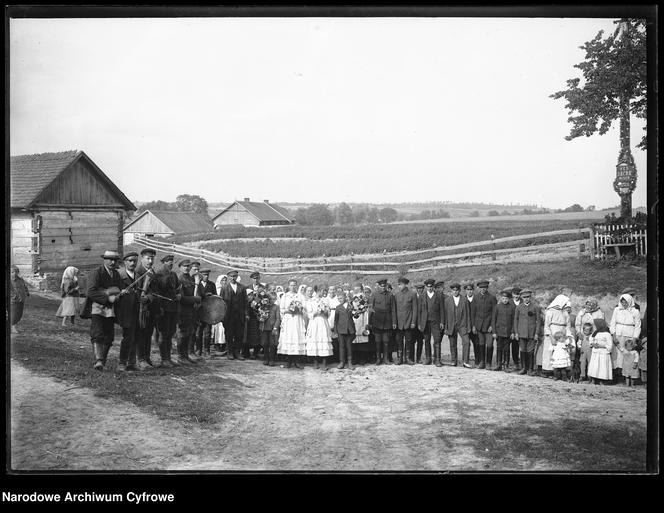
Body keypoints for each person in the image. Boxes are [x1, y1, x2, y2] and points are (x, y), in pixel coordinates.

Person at [86, 250, 123, 371]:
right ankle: (98, 361)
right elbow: (91, 292)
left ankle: (103, 362)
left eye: (115, 260)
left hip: (110, 311)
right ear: (104, 260)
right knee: (97, 334)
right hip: (97, 308)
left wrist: (120, 294)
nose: (112, 262)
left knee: (109, 336)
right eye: (109, 259)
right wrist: (107, 298)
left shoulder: (116, 274)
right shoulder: (97, 272)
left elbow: (119, 289)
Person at [134, 248, 160, 370]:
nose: (150, 261)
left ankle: (147, 357)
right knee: (141, 333)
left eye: (152, 258)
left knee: (148, 333)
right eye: (148, 258)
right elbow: (139, 292)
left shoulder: (152, 271)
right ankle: (141, 359)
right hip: (141, 309)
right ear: (142, 258)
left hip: (151, 308)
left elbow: (155, 291)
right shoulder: (138, 271)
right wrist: (148, 297)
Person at [115, 252, 141, 372]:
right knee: (128, 337)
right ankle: (122, 362)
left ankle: (132, 362)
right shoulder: (119, 274)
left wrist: (147, 297)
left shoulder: (139, 275)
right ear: (125, 262)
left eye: (135, 261)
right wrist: (120, 292)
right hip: (125, 310)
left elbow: (146, 291)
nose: (132, 263)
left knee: (136, 337)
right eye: (130, 261)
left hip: (138, 310)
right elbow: (113, 291)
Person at [155, 254, 181, 367]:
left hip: (173, 307)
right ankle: (164, 359)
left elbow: (178, 288)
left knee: (170, 332)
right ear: (163, 262)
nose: (170, 263)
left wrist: (179, 294)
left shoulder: (173, 274)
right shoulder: (159, 273)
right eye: (168, 261)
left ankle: (168, 358)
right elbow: (160, 288)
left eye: (172, 261)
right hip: (163, 308)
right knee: (163, 333)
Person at [609, 294, 641, 382]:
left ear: (630, 302)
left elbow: (638, 326)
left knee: (628, 355)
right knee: (617, 354)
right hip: (618, 333)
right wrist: (613, 335)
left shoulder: (635, 311)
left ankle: (628, 376)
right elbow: (612, 323)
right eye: (622, 302)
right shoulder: (617, 309)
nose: (624, 304)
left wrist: (635, 338)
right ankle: (617, 375)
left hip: (629, 334)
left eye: (626, 303)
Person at [175, 259, 201, 365]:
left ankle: (185, 355)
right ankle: (181, 356)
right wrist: (195, 299)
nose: (186, 268)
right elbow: (182, 298)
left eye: (188, 266)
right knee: (183, 334)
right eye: (184, 266)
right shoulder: (180, 279)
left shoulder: (190, 278)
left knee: (189, 333)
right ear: (180, 267)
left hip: (190, 311)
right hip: (182, 311)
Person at [540, 294, 572, 378]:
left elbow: (568, 326)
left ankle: (560, 372)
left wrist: (568, 336)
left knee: (561, 353)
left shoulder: (565, 313)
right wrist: (551, 337)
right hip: (552, 334)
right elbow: (546, 326)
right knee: (550, 352)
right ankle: (548, 371)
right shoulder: (550, 311)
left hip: (562, 335)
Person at [277, 279, 307, 368]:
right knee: (289, 337)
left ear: (296, 286)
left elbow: (304, 308)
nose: (293, 287)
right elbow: (281, 309)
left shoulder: (300, 296)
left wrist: (299, 309)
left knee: (297, 337)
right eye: (291, 285)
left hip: (297, 319)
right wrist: (289, 311)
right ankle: (289, 360)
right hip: (289, 319)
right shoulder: (285, 296)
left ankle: (297, 360)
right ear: (288, 286)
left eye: (294, 285)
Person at [220, 270, 248, 360]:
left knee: (239, 334)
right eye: (231, 276)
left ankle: (237, 353)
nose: (233, 278)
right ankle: (230, 352)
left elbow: (246, 302)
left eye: (234, 276)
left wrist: (246, 314)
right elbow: (221, 303)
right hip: (229, 316)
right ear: (228, 277)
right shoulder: (224, 288)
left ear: (237, 277)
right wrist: (222, 315)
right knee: (229, 334)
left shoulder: (242, 287)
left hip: (239, 315)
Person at [368, 278, 397, 365]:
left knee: (386, 341)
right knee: (377, 341)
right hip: (377, 321)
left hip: (387, 321)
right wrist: (370, 322)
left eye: (384, 286)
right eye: (381, 286)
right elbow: (370, 309)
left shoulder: (390, 295)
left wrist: (394, 322)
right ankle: (378, 359)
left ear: (386, 286)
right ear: (379, 286)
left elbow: (393, 310)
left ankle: (386, 358)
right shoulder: (374, 295)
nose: (383, 288)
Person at [417, 278, 445, 366]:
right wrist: (419, 323)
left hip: (436, 322)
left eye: (431, 286)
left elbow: (442, 310)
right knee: (427, 340)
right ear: (426, 287)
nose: (430, 288)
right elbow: (419, 311)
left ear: (433, 286)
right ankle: (428, 358)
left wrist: (442, 322)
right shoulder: (422, 296)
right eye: (428, 287)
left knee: (437, 340)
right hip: (425, 322)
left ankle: (437, 360)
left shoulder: (439, 295)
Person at [513, 289, 541, 376]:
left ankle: (530, 369)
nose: (526, 299)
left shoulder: (535, 307)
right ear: (522, 297)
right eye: (524, 297)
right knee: (523, 350)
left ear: (530, 297)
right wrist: (516, 333)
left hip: (531, 333)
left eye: (528, 297)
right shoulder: (519, 307)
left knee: (530, 351)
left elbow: (538, 321)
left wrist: (536, 333)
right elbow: (516, 320)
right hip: (522, 333)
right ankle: (523, 368)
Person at [444, 283, 471, 368]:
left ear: (459, 291)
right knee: (452, 343)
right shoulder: (447, 301)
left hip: (462, 325)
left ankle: (465, 361)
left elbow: (468, 314)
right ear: (451, 291)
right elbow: (445, 315)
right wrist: (446, 327)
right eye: (453, 290)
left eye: (457, 290)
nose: (455, 292)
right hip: (451, 325)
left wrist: (468, 326)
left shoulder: (464, 300)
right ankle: (453, 361)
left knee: (466, 342)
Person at [306, 288, 333, 370]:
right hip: (314, 322)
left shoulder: (325, 300)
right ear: (317, 291)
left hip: (323, 322)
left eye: (325, 291)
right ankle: (315, 362)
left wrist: (324, 311)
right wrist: (316, 312)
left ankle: (324, 363)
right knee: (315, 340)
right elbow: (309, 314)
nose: (324, 292)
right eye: (322, 291)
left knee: (324, 340)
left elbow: (328, 313)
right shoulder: (310, 301)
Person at [393, 277, 418, 365]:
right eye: (399, 284)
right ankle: (400, 358)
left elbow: (415, 309)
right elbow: (394, 310)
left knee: (409, 340)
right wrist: (394, 322)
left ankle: (408, 358)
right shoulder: (396, 295)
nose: (399, 286)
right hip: (399, 323)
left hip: (408, 322)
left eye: (401, 284)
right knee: (399, 341)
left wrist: (413, 322)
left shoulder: (412, 294)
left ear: (405, 284)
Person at [195, 269, 217, 358]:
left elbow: (215, 298)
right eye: (204, 275)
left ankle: (207, 351)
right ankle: (198, 350)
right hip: (199, 311)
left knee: (207, 333)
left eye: (207, 275)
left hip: (208, 312)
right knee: (198, 332)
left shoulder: (212, 284)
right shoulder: (197, 284)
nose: (206, 276)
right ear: (201, 275)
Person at [474, 280, 496, 369]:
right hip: (479, 325)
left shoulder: (492, 298)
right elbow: (473, 312)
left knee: (490, 344)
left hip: (489, 326)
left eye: (485, 288)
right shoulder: (476, 298)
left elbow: (494, 313)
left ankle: (488, 363)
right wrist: (474, 325)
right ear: (479, 288)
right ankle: (482, 362)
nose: (483, 289)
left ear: (487, 288)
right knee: (481, 344)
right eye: (481, 288)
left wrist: (492, 325)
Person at [492, 289, 516, 372]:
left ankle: (506, 365)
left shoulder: (512, 308)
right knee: (499, 348)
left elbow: (514, 321)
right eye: (503, 298)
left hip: (508, 333)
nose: (504, 300)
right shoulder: (497, 307)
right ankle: (498, 364)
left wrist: (513, 332)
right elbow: (493, 320)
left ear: (509, 299)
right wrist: (494, 332)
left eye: (506, 299)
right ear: (500, 299)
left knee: (507, 349)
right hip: (499, 332)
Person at [334, 291, 357, 370]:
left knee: (349, 346)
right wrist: (336, 331)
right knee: (342, 346)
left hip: (349, 329)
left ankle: (350, 362)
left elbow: (355, 315)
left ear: (345, 297)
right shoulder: (338, 307)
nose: (340, 300)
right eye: (338, 299)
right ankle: (342, 362)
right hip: (341, 330)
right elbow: (336, 320)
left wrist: (356, 312)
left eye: (341, 298)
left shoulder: (351, 305)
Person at [587, 318, 613, 385]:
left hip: (603, 353)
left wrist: (601, 346)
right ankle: (593, 379)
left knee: (602, 366)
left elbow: (610, 345)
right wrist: (593, 344)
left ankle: (601, 380)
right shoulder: (595, 333)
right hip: (596, 352)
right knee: (594, 366)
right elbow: (591, 340)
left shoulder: (607, 334)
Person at [260, 291, 281, 366]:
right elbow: (259, 314)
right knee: (265, 343)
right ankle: (266, 358)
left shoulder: (276, 307)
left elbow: (278, 318)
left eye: (274, 299)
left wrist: (275, 327)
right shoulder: (264, 306)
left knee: (272, 344)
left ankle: (272, 359)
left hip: (272, 328)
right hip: (264, 327)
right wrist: (261, 318)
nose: (272, 301)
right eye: (271, 299)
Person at [9, 265, 30, 334]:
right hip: (14, 300)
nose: (14, 273)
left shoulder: (20, 280)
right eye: (12, 272)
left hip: (21, 299)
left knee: (19, 314)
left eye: (16, 272)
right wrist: (14, 296)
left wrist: (27, 293)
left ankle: (13, 325)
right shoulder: (10, 281)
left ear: (18, 272)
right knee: (14, 314)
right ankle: (12, 327)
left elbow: (24, 286)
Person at [463, 283, 480, 368]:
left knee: (476, 343)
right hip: (465, 326)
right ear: (465, 291)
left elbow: (478, 314)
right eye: (468, 290)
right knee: (466, 343)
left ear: (473, 290)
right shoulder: (463, 299)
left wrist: (474, 326)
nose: (469, 292)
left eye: (471, 290)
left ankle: (477, 361)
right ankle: (465, 360)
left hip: (475, 326)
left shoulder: (477, 299)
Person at [211, 274, 227, 353]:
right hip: (217, 311)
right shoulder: (216, 289)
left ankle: (224, 344)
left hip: (225, 310)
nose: (224, 282)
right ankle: (217, 344)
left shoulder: (227, 289)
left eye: (225, 280)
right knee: (218, 328)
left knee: (224, 329)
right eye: (222, 280)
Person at [509, 287, 522, 370]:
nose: (516, 296)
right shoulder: (509, 302)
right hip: (509, 327)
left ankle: (521, 363)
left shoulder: (522, 302)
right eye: (514, 294)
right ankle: (514, 363)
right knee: (511, 346)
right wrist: (512, 331)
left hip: (520, 327)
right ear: (512, 294)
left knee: (519, 346)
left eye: (518, 294)